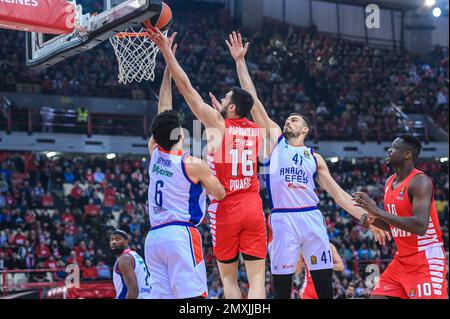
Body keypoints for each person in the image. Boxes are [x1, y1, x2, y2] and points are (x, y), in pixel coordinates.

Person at [224, 31, 389, 299]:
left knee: (324, 288)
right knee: (281, 289)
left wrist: (368, 221)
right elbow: (254, 103)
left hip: (311, 217)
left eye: (295, 119)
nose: (289, 121)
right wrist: (240, 62)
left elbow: (339, 195)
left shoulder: (315, 158)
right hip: (282, 219)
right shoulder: (275, 140)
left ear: (306, 129)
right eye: (288, 119)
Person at [148, 27, 267, 299]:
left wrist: (166, 52)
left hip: (226, 207)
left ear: (232, 108)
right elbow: (253, 100)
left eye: (225, 99)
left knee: (229, 279)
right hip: (253, 203)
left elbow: (187, 89)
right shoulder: (257, 128)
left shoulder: (219, 124)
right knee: (257, 278)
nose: (221, 99)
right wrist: (240, 62)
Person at [144, 36, 226, 299]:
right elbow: (221, 193)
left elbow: (162, 111)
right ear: (179, 134)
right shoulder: (192, 164)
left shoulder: (154, 152)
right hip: (180, 234)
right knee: (194, 300)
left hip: (153, 239)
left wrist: (168, 69)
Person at [353, 135, 448, 299]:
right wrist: (373, 222)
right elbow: (394, 225)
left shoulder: (420, 181)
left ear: (407, 154)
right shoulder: (389, 182)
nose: (389, 150)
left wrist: (377, 212)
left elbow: (420, 226)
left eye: (395, 147)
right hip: (401, 260)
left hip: (425, 258)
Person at [110, 229, 151, 299]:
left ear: (126, 242)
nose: (113, 242)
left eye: (117, 239)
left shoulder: (124, 259)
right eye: (112, 239)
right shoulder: (134, 255)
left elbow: (133, 290)